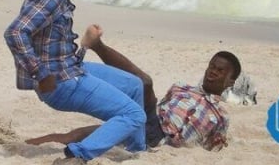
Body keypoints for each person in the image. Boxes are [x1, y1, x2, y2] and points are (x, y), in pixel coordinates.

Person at [3, 0, 146, 165]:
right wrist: (40, 73)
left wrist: (85, 46)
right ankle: (78, 154)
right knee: (134, 114)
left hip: (71, 70)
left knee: (135, 85)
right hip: (61, 83)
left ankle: (136, 150)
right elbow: (15, 32)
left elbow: (53, 50)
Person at [26, 36, 242, 151]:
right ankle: (22, 145)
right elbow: (157, 106)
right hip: (149, 119)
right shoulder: (181, 87)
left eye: (220, 70)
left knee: (80, 137)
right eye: (212, 66)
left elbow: (213, 146)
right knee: (144, 84)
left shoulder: (221, 116)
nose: (213, 72)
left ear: (230, 80)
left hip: (164, 138)